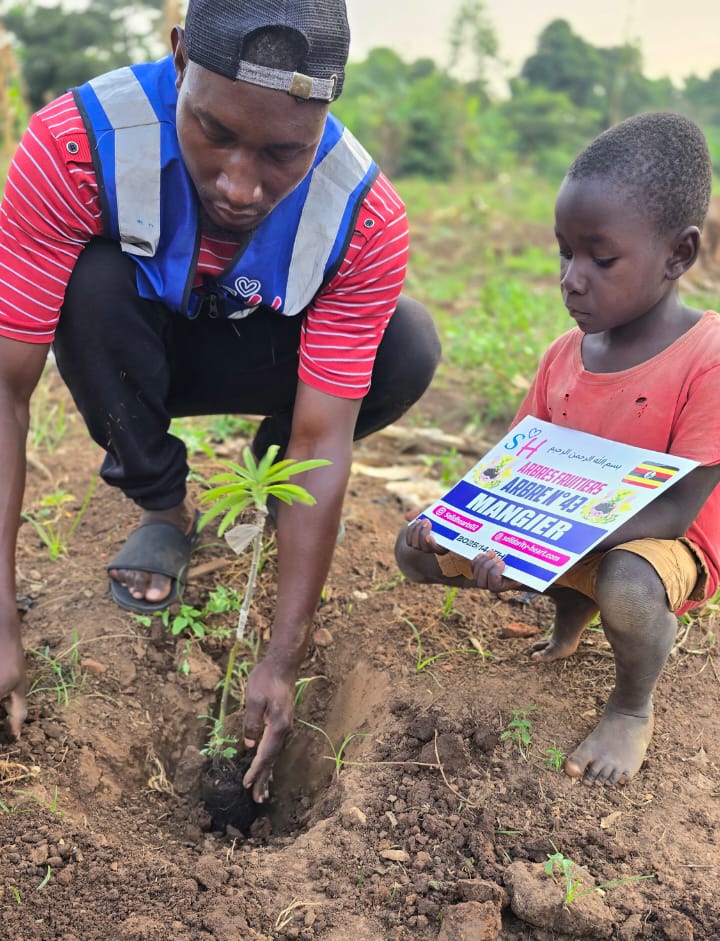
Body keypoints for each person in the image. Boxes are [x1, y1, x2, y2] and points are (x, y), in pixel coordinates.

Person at [0, 0, 441, 800]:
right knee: (89, 288)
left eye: (283, 152)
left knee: (406, 345)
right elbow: (5, 390)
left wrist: (282, 656)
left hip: (261, 348)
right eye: (214, 132)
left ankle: (259, 480)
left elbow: (325, 438)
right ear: (177, 62)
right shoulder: (74, 145)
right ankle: (164, 506)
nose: (241, 184)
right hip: (132, 340)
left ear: (326, 116)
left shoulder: (363, 217)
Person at [396, 112, 720, 787]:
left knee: (627, 583)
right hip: (571, 528)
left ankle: (631, 707)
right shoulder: (561, 357)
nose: (572, 278)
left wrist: (542, 546)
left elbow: (676, 511)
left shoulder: (708, 358)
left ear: (680, 255)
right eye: (564, 252)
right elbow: (514, 470)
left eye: (600, 259)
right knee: (413, 545)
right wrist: (473, 527)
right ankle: (569, 614)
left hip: (666, 542)